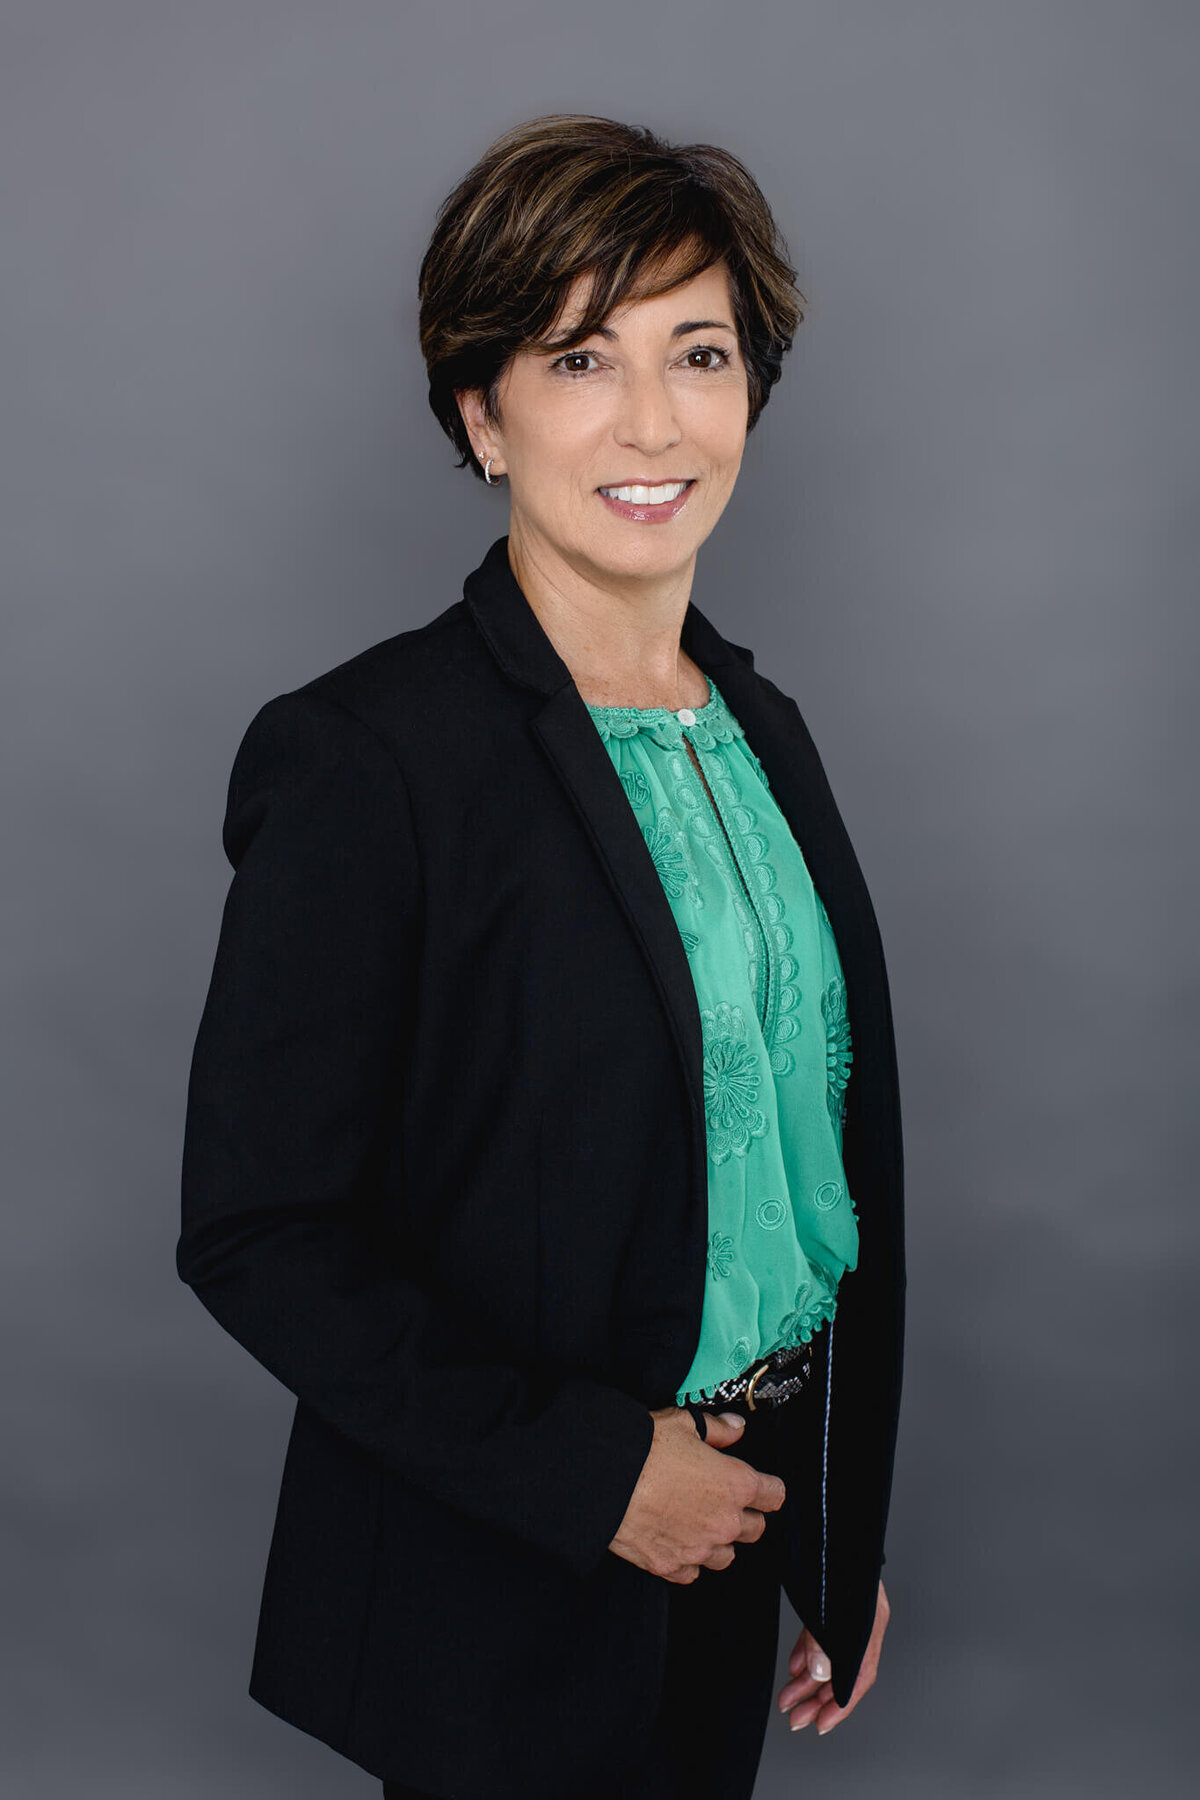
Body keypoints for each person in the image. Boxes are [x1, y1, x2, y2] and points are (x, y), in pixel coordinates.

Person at [178, 113, 905, 1800]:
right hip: (506, 1573)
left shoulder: (764, 731)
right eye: (581, 356)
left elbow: (801, 1174)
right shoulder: (368, 758)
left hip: (743, 1529)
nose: (655, 422)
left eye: (700, 354)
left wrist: (831, 1527)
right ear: (479, 412)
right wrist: (593, 1478)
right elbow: (258, 1230)